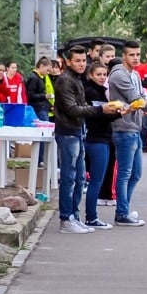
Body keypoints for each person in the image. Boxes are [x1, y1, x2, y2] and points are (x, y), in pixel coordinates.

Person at [54, 45, 124, 234]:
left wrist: (107, 110)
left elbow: (82, 106)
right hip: (68, 132)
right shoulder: (65, 80)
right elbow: (72, 109)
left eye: (84, 60)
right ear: (68, 62)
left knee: (78, 177)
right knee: (69, 178)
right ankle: (66, 219)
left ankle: (74, 217)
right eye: (77, 60)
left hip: (77, 131)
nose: (81, 64)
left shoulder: (77, 79)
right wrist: (101, 109)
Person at [108, 40, 147, 226]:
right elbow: (137, 99)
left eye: (137, 54)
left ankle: (124, 209)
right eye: (131, 55)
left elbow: (139, 103)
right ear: (123, 56)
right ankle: (122, 213)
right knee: (125, 173)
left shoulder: (135, 75)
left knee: (136, 174)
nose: (135, 58)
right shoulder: (119, 75)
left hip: (135, 129)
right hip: (123, 129)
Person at [83, 61, 125, 229]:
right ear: (91, 75)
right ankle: (91, 218)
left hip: (101, 138)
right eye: (98, 74)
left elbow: (105, 115)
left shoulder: (99, 91)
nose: (102, 77)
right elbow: (99, 115)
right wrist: (119, 112)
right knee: (96, 181)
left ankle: (90, 217)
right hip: (96, 139)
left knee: (95, 180)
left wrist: (119, 112)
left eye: (104, 75)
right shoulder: (92, 92)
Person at [26, 57, 53, 165]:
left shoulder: (40, 77)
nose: (48, 73)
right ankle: (39, 159)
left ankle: (41, 158)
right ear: (41, 66)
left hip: (42, 107)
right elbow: (30, 94)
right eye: (47, 70)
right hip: (38, 108)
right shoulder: (34, 78)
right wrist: (44, 96)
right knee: (42, 133)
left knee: (44, 134)